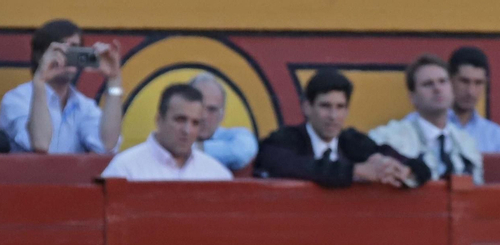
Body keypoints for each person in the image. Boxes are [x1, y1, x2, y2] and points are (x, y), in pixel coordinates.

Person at [254, 68, 429, 189]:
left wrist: (404, 171)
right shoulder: (284, 139)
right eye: (325, 106)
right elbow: (290, 166)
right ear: (307, 107)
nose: (333, 116)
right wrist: (355, 171)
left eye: (340, 107)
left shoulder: (353, 142)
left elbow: (419, 167)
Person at [0, 19, 123, 154]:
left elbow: (108, 145)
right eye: (61, 48)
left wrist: (113, 79)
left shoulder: (83, 105)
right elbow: (41, 144)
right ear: (41, 56)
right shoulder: (16, 99)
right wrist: (40, 81)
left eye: (74, 47)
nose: (67, 54)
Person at [369, 54, 482, 185]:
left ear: (451, 89)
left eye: (443, 81)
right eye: (428, 84)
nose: (437, 89)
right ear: (412, 97)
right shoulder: (390, 137)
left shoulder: (466, 142)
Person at [100, 84, 231, 182]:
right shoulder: (125, 169)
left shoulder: (217, 174)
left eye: (195, 123)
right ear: (159, 120)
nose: (187, 130)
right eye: (180, 120)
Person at [447, 46, 500, 154]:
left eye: (478, 83)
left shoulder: (497, 137)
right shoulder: (418, 126)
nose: (471, 91)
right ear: (450, 80)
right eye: (464, 81)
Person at [189, 73, 257, 173]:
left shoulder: (233, 137)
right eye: (199, 107)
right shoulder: (169, 135)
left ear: (222, 115)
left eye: (212, 109)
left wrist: (192, 149)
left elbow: (243, 150)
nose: (204, 116)